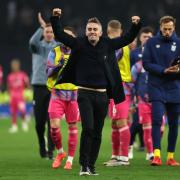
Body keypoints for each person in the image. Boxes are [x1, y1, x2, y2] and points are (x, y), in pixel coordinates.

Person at [50, 8, 141, 175]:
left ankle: (91, 167)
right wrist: (56, 18)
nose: (92, 32)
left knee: (98, 133)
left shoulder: (107, 44)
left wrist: (135, 25)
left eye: (95, 29)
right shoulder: (79, 43)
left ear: (100, 32)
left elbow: (127, 38)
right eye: (89, 29)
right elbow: (60, 35)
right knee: (88, 128)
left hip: (103, 95)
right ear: (85, 31)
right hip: (84, 94)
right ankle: (83, 166)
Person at [143, 16, 180, 166]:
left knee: (174, 123)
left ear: (174, 28)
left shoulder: (179, 43)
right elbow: (146, 63)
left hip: (174, 87)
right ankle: (156, 155)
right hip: (156, 86)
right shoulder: (151, 42)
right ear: (160, 27)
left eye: (170, 29)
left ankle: (170, 157)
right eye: (165, 29)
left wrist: (176, 70)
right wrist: (164, 70)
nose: (167, 32)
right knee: (157, 119)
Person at [46, 27, 79, 170]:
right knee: (54, 126)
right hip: (57, 93)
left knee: (72, 126)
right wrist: (57, 66)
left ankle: (70, 160)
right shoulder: (55, 51)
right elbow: (48, 72)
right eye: (64, 35)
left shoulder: (79, 52)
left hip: (73, 95)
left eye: (69, 36)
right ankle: (60, 152)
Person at [104, 20, 133, 167]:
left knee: (121, 121)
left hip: (121, 87)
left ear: (108, 32)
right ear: (120, 31)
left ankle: (124, 158)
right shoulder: (122, 44)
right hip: (116, 86)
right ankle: (116, 156)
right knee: (115, 123)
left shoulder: (116, 46)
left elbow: (108, 62)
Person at [29, 13, 58, 159]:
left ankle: (51, 151)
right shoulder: (38, 47)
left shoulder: (57, 47)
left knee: (51, 121)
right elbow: (32, 41)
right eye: (47, 31)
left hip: (52, 87)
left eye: (51, 31)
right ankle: (42, 143)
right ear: (43, 33)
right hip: (39, 87)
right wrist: (41, 27)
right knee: (39, 123)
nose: (49, 34)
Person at [129, 27, 154, 160]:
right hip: (139, 95)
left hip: (155, 95)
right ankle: (130, 146)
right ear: (140, 38)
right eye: (145, 36)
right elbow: (131, 75)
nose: (147, 39)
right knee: (137, 124)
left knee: (158, 127)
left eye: (150, 37)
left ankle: (149, 148)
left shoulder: (156, 53)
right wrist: (133, 96)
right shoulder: (134, 54)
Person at [7, 59, 29, 133]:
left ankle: (24, 123)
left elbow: (27, 85)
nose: (14, 67)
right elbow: (8, 87)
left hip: (20, 96)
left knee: (22, 111)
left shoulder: (23, 75)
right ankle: (14, 126)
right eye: (13, 65)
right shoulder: (10, 76)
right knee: (13, 112)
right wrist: (9, 96)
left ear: (18, 66)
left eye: (15, 65)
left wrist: (26, 93)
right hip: (13, 97)